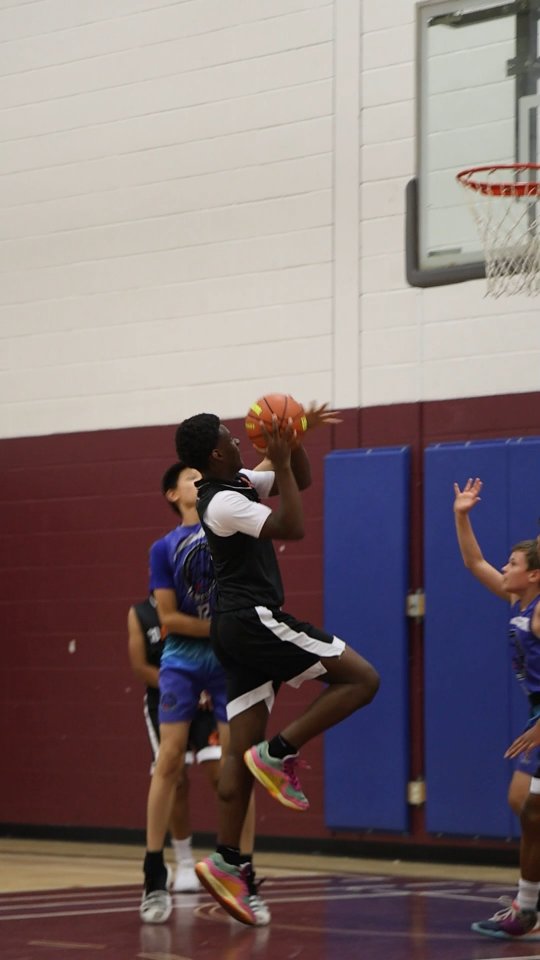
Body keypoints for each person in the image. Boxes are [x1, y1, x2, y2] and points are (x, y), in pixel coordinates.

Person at [175, 405, 380, 927]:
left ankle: (228, 862)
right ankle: (279, 753)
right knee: (362, 679)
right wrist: (282, 459)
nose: (239, 440)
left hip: (234, 628)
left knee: (236, 752)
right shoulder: (222, 502)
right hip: (254, 619)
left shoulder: (239, 481)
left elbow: (300, 479)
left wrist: (294, 437)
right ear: (215, 453)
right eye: (230, 437)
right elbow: (293, 524)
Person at [140, 463, 263, 925]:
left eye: (202, 474)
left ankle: (242, 873)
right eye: (189, 477)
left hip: (229, 661)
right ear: (172, 494)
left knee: (239, 765)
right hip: (184, 661)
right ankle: (155, 873)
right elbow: (169, 618)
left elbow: (255, 474)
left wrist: (285, 442)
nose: (198, 480)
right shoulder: (163, 548)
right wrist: (223, 627)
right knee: (169, 760)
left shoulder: (226, 526)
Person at [453, 477, 540, 940]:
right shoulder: (518, 599)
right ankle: (529, 904)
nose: (504, 567)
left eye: (514, 563)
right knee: (522, 803)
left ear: (534, 575)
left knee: (532, 809)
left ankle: (527, 907)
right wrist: (461, 516)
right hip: (536, 714)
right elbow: (474, 562)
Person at [128, 593, 222, 893]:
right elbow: (140, 667)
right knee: (176, 779)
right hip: (165, 701)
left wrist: (204, 684)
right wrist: (183, 687)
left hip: (205, 700)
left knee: (223, 775)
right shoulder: (140, 614)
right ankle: (184, 862)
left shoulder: (196, 606)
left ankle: (229, 859)